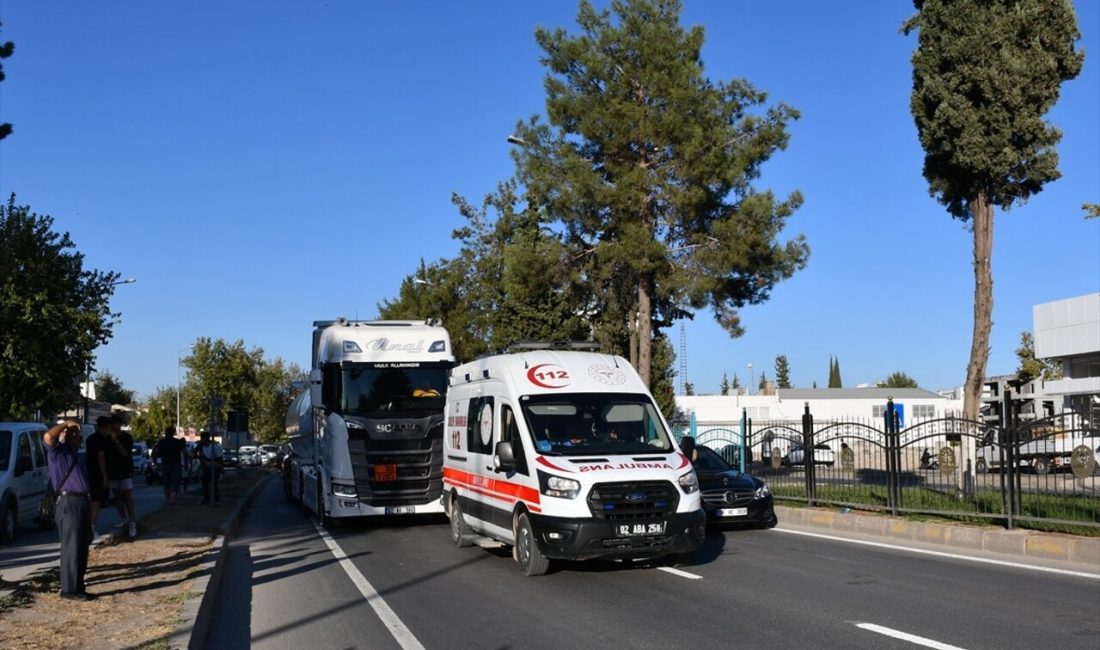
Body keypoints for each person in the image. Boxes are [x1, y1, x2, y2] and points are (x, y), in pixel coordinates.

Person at [43, 419, 96, 601]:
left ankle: (78, 586)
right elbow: (49, 436)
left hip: (82, 502)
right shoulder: (58, 452)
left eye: (77, 434)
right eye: (71, 433)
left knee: (82, 546)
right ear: (63, 434)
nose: (75, 436)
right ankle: (68, 589)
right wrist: (66, 424)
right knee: (71, 547)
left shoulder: (77, 456)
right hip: (68, 502)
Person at [104, 413, 137, 537]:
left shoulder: (127, 438)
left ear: (120, 425)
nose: (113, 427)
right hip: (112, 471)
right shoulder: (106, 439)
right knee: (116, 495)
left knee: (127, 495)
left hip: (125, 470)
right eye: (112, 424)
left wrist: (116, 441)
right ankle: (123, 518)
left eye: (115, 424)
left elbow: (125, 454)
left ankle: (132, 521)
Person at [84, 416, 112, 538]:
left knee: (93, 500)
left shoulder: (90, 438)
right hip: (98, 473)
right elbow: (101, 458)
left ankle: (90, 525)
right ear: (107, 426)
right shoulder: (102, 440)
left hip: (90, 471)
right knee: (96, 501)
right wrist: (105, 476)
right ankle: (91, 526)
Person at [152, 425, 187, 504]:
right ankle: (172, 499)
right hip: (176, 465)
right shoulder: (178, 442)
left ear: (166, 433)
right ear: (173, 433)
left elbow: (154, 452)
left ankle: (168, 499)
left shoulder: (162, 442)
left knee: (166, 483)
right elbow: (185, 453)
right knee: (175, 483)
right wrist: (186, 463)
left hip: (165, 465)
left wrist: (156, 463)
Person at [195, 432, 224, 505]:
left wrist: (222, 468)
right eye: (201, 439)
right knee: (204, 482)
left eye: (203, 439)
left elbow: (220, 458)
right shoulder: (200, 446)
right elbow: (194, 452)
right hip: (206, 467)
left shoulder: (215, 446)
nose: (202, 441)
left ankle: (216, 500)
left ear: (207, 439)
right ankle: (206, 499)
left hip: (216, 466)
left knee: (213, 482)